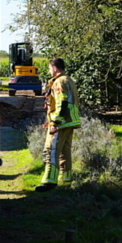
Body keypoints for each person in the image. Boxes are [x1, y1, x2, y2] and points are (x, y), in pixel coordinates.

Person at [35, 58, 81, 192]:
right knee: (64, 152)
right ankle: (66, 180)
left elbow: (63, 102)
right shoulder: (69, 80)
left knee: (51, 150)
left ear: (55, 68)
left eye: (50, 68)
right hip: (70, 121)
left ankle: (50, 182)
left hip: (62, 123)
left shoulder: (59, 81)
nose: (50, 71)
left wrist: (55, 122)